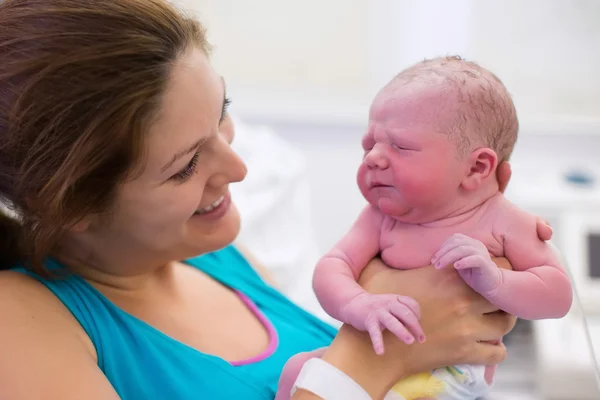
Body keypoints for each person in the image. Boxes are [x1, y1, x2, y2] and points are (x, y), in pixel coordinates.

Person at [0, 1, 552, 399]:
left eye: (221, 111)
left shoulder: (215, 257)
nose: (237, 169)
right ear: (74, 206)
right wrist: (371, 354)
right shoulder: (19, 324)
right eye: (186, 165)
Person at [277, 57, 572, 400]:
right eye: (369, 144)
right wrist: (357, 303)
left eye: (401, 146)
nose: (373, 157)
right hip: (376, 360)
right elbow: (333, 266)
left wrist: (497, 281)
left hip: (453, 378)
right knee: (298, 368)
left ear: (477, 167)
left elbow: (558, 296)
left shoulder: (505, 221)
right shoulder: (379, 218)